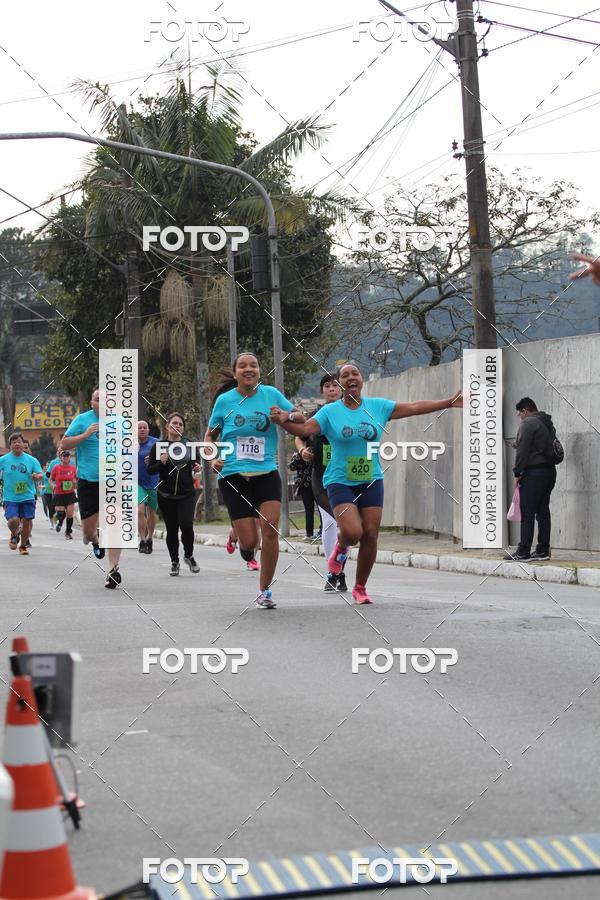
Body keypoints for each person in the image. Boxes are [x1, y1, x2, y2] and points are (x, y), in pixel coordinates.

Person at [271, 362, 463, 604]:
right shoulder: (330, 413)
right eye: (345, 375)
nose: (351, 377)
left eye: (355, 374)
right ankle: (340, 550)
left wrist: (448, 402)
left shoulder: (377, 407)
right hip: (339, 480)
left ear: (361, 380)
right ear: (340, 384)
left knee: (371, 535)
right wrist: (282, 421)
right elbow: (305, 427)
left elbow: (414, 407)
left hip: (371, 479)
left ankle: (360, 588)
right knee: (353, 532)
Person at [205, 354, 304, 609]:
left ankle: (264, 591)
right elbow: (209, 436)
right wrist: (212, 457)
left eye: (254, 366)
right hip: (233, 475)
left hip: (266, 472)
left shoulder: (271, 395)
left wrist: (284, 416)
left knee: (270, 529)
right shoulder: (225, 402)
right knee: (250, 543)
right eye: (243, 366)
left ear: (259, 371)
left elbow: (301, 418)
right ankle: (242, 543)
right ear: (236, 373)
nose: (249, 369)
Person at [62, 386, 123, 588]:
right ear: (92, 402)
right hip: (88, 481)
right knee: (88, 532)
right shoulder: (82, 420)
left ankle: (113, 570)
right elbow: (64, 444)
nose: (102, 402)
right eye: (98, 399)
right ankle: (95, 540)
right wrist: (86, 434)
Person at [294, 374, 346, 592]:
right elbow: (298, 436)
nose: (332, 389)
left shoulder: (350, 414)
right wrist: (302, 450)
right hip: (321, 477)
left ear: (342, 389)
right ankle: (333, 572)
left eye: (335, 385)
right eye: (327, 386)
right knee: (331, 523)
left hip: (346, 477)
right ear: (322, 391)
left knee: (347, 526)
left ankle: (339, 571)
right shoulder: (315, 416)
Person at [147, 411, 201, 576]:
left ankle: (189, 555)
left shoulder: (189, 445)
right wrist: (161, 462)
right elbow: (151, 470)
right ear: (167, 426)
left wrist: (196, 467)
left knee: (186, 525)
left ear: (183, 429)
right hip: (166, 494)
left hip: (186, 493)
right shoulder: (159, 447)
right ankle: (174, 561)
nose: (177, 426)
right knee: (172, 529)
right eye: (174, 423)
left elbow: (196, 464)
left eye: (180, 424)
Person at [505, 397, 557, 562]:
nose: (519, 417)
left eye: (519, 414)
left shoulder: (527, 423)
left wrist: (517, 472)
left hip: (534, 474)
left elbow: (523, 452)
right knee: (542, 511)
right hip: (549, 472)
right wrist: (518, 444)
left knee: (527, 512)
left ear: (525, 411)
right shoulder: (547, 423)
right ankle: (543, 550)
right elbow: (539, 446)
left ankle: (523, 552)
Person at [0, 432, 43, 554]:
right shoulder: (4, 459)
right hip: (11, 497)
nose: (16, 444)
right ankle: (14, 534)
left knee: (27, 523)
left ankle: (23, 545)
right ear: (10, 446)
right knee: (13, 520)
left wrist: (37, 476)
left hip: (27, 496)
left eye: (19, 441)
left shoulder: (31, 460)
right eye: (13, 442)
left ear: (23, 444)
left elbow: (40, 474)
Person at [137, 420, 159, 554]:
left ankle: (150, 538)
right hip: (136, 483)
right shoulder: (129, 444)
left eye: (145, 427)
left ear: (148, 430)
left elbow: (165, 459)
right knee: (139, 511)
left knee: (151, 512)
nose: (142, 429)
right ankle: (142, 539)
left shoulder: (156, 443)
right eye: (139, 427)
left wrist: (154, 459)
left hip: (153, 482)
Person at [290, 446, 317, 540]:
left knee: (321, 510)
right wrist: (299, 455)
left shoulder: (318, 451)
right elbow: (292, 467)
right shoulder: (299, 454)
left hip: (318, 485)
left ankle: (322, 531)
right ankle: (309, 533)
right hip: (305, 486)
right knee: (309, 510)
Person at [50, 449, 78, 539]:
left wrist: (75, 481)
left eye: (67, 456)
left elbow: (76, 479)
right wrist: (53, 485)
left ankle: (68, 532)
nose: (65, 457)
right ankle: (60, 523)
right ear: (60, 458)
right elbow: (51, 479)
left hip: (70, 493)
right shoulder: (56, 468)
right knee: (61, 513)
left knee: (70, 513)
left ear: (69, 457)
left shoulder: (73, 468)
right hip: (59, 493)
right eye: (64, 456)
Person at [41, 461, 56, 528]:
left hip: (55, 492)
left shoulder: (56, 472)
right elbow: (42, 483)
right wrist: (42, 486)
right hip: (47, 492)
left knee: (55, 508)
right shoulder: (44, 474)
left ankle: (56, 521)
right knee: (50, 508)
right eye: (47, 466)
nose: (48, 467)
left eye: (49, 465)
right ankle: (52, 524)